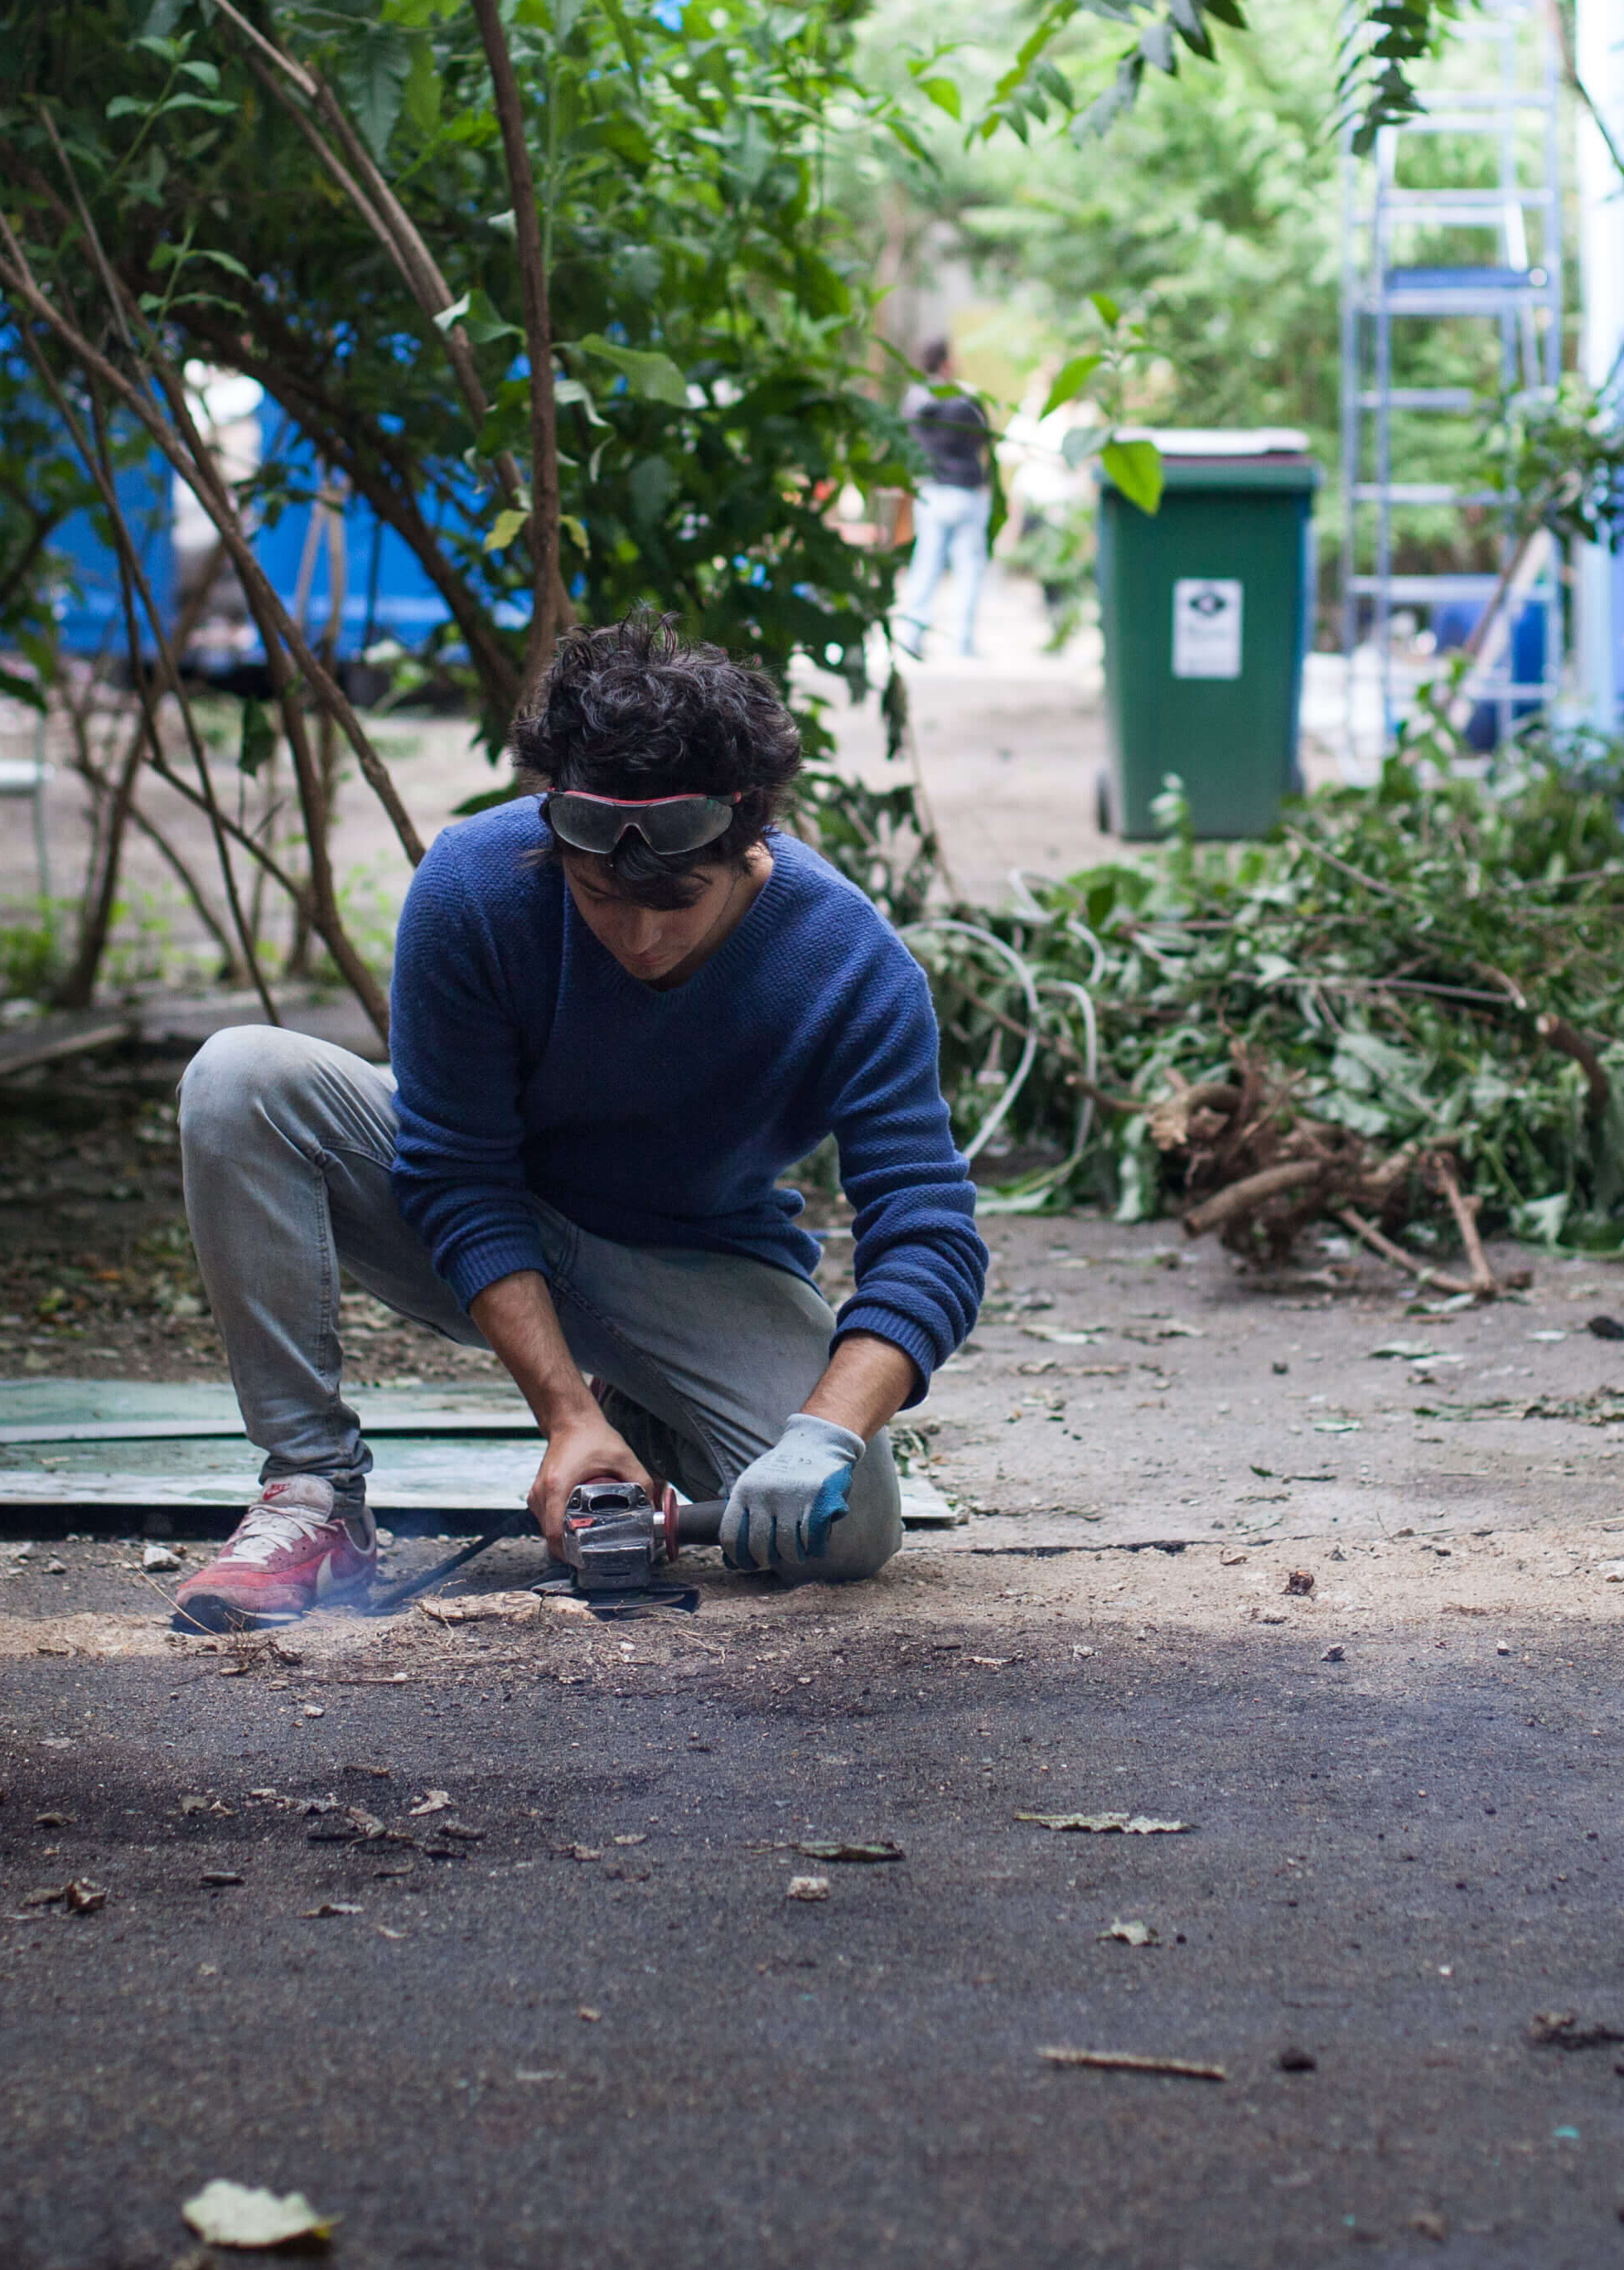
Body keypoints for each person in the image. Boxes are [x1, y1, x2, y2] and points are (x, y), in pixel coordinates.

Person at [159, 617, 989, 1629]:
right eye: (600, 896)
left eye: (676, 903)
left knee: (847, 1534)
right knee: (240, 1075)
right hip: (481, 1221)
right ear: (556, 837)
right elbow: (458, 1174)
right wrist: (565, 1415)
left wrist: (824, 1432)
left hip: (697, 1262)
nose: (637, 936)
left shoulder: (851, 964)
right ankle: (314, 1496)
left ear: (748, 839)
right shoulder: (472, 883)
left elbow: (931, 1235)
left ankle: (648, 1422)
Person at [895, 337, 998, 660]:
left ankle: (912, 635)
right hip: (966, 491)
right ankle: (962, 641)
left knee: (925, 563)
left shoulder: (913, 403)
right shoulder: (966, 401)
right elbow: (985, 439)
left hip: (932, 492)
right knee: (968, 568)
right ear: (946, 363)